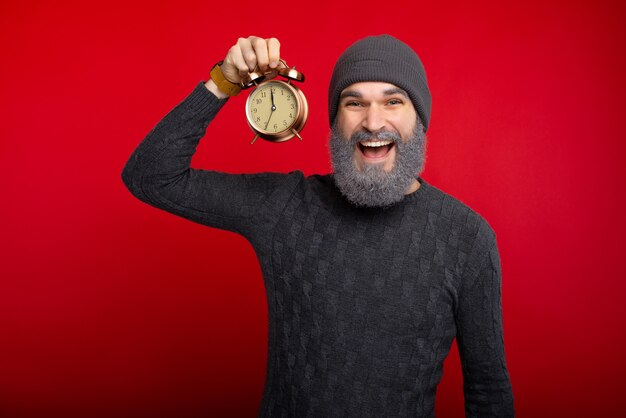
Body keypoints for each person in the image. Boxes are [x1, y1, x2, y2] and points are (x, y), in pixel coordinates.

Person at [122, 35, 514, 417]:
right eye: (354, 102)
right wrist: (223, 81)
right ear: (334, 121)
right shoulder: (284, 206)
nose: (373, 121)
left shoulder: (467, 237)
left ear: (419, 118)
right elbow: (150, 176)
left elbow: (488, 391)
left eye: (393, 101)